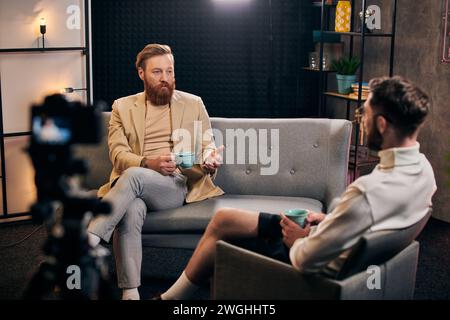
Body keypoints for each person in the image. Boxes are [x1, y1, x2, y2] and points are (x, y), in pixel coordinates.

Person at [159, 76, 437, 300]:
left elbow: (304, 259)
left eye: (364, 113)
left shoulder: (365, 192)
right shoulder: (424, 173)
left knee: (224, 238)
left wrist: (299, 239)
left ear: (381, 123)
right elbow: (369, 223)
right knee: (224, 218)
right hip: (339, 244)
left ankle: (170, 299)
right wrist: (330, 220)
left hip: (311, 265)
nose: (361, 120)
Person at [87, 44, 224, 300]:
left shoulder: (193, 103)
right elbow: (118, 154)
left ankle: (87, 244)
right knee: (131, 208)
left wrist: (210, 159)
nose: (165, 78)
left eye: (170, 72)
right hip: (136, 183)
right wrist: (148, 162)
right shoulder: (122, 107)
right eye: (157, 72)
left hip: (174, 184)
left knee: (133, 177)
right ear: (141, 73)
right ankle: (130, 292)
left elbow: (208, 145)